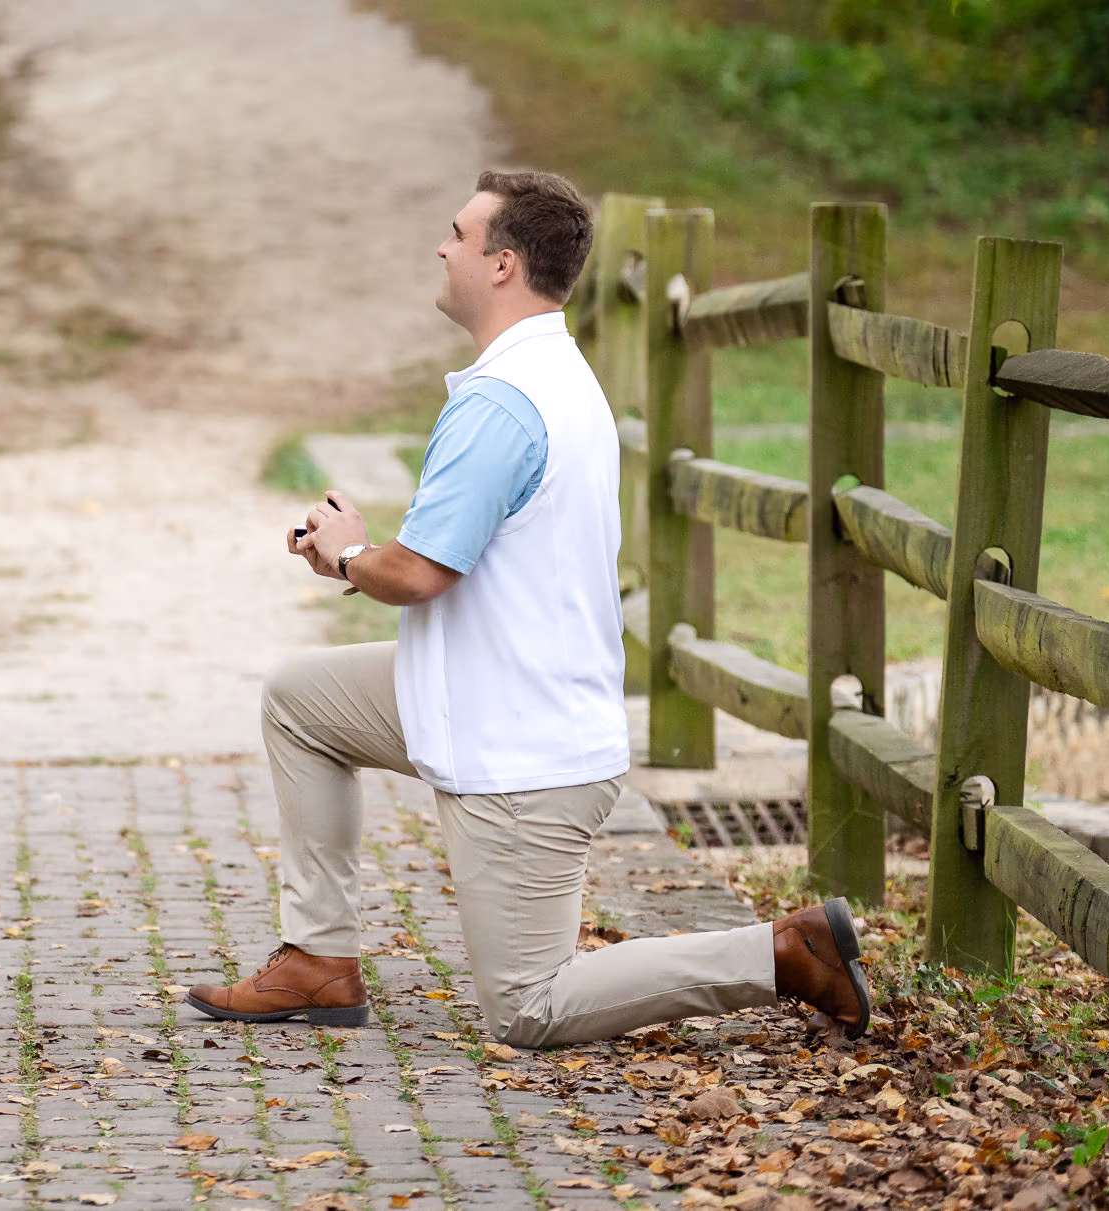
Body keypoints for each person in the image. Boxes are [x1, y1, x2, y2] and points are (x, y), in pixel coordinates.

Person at [187, 170, 873, 1046]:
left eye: (457, 235)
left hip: (525, 749)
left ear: (503, 263)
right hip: (485, 690)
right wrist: (356, 558)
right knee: (301, 699)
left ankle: (781, 952)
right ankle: (318, 961)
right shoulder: (552, 370)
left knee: (530, 1007)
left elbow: (422, 574)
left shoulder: (502, 404)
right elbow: (442, 561)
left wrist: (353, 551)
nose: (441, 247)